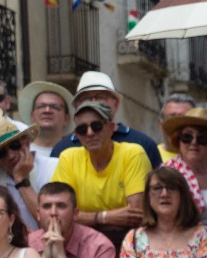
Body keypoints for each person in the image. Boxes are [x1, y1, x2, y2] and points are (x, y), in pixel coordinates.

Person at [51, 99, 150, 232]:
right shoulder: (68, 157)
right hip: (82, 237)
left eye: (96, 126)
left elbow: (135, 215)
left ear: (111, 128)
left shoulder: (133, 154)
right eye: (82, 129)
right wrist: (102, 218)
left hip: (127, 236)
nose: (90, 133)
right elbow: (59, 213)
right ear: (77, 135)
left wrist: (82, 217)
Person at [46, 71, 162, 174]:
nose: (93, 103)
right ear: (76, 106)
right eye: (86, 98)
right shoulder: (62, 149)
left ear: (116, 104)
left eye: (100, 97)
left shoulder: (143, 144)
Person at [161, 106, 207, 225]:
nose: (194, 142)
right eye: (187, 137)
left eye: (202, 138)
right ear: (178, 140)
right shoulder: (166, 174)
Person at [0, 119, 42, 229]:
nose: (10, 155)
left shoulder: (52, 167)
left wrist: (21, 180)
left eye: (14, 145)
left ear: (26, 143)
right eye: (1, 152)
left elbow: (48, 221)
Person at [17, 80, 73, 169]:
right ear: (32, 116)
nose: (47, 110)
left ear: (67, 119)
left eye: (54, 107)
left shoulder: (75, 153)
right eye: (41, 106)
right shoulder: (19, 154)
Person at [159, 94, 196, 158]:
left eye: (183, 119)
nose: (177, 124)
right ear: (160, 124)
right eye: (171, 119)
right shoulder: (150, 156)